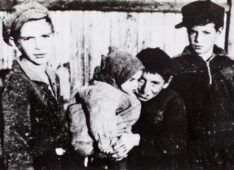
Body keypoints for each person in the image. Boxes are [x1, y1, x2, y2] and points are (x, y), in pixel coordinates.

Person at [171, 1, 234, 169]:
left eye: (206, 32)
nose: (198, 39)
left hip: (225, 154)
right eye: (193, 32)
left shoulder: (231, 67)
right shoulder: (175, 66)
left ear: (218, 31)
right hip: (187, 153)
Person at [1, 2, 70, 169]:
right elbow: (15, 145)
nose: (39, 46)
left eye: (45, 36)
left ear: (53, 35)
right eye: (28, 38)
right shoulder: (17, 82)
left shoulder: (51, 74)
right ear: (14, 42)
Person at [68, 47, 143, 170]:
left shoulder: (116, 89)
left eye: (138, 80)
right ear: (117, 75)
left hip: (110, 145)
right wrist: (109, 145)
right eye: (132, 80)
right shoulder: (103, 93)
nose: (136, 84)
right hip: (103, 147)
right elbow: (101, 119)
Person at [128, 48, 187, 170]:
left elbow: (175, 143)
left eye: (154, 83)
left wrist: (137, 140)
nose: (145, 89)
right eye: (141, 80)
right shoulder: (125, 95)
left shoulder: (172, 101)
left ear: (167, 82)